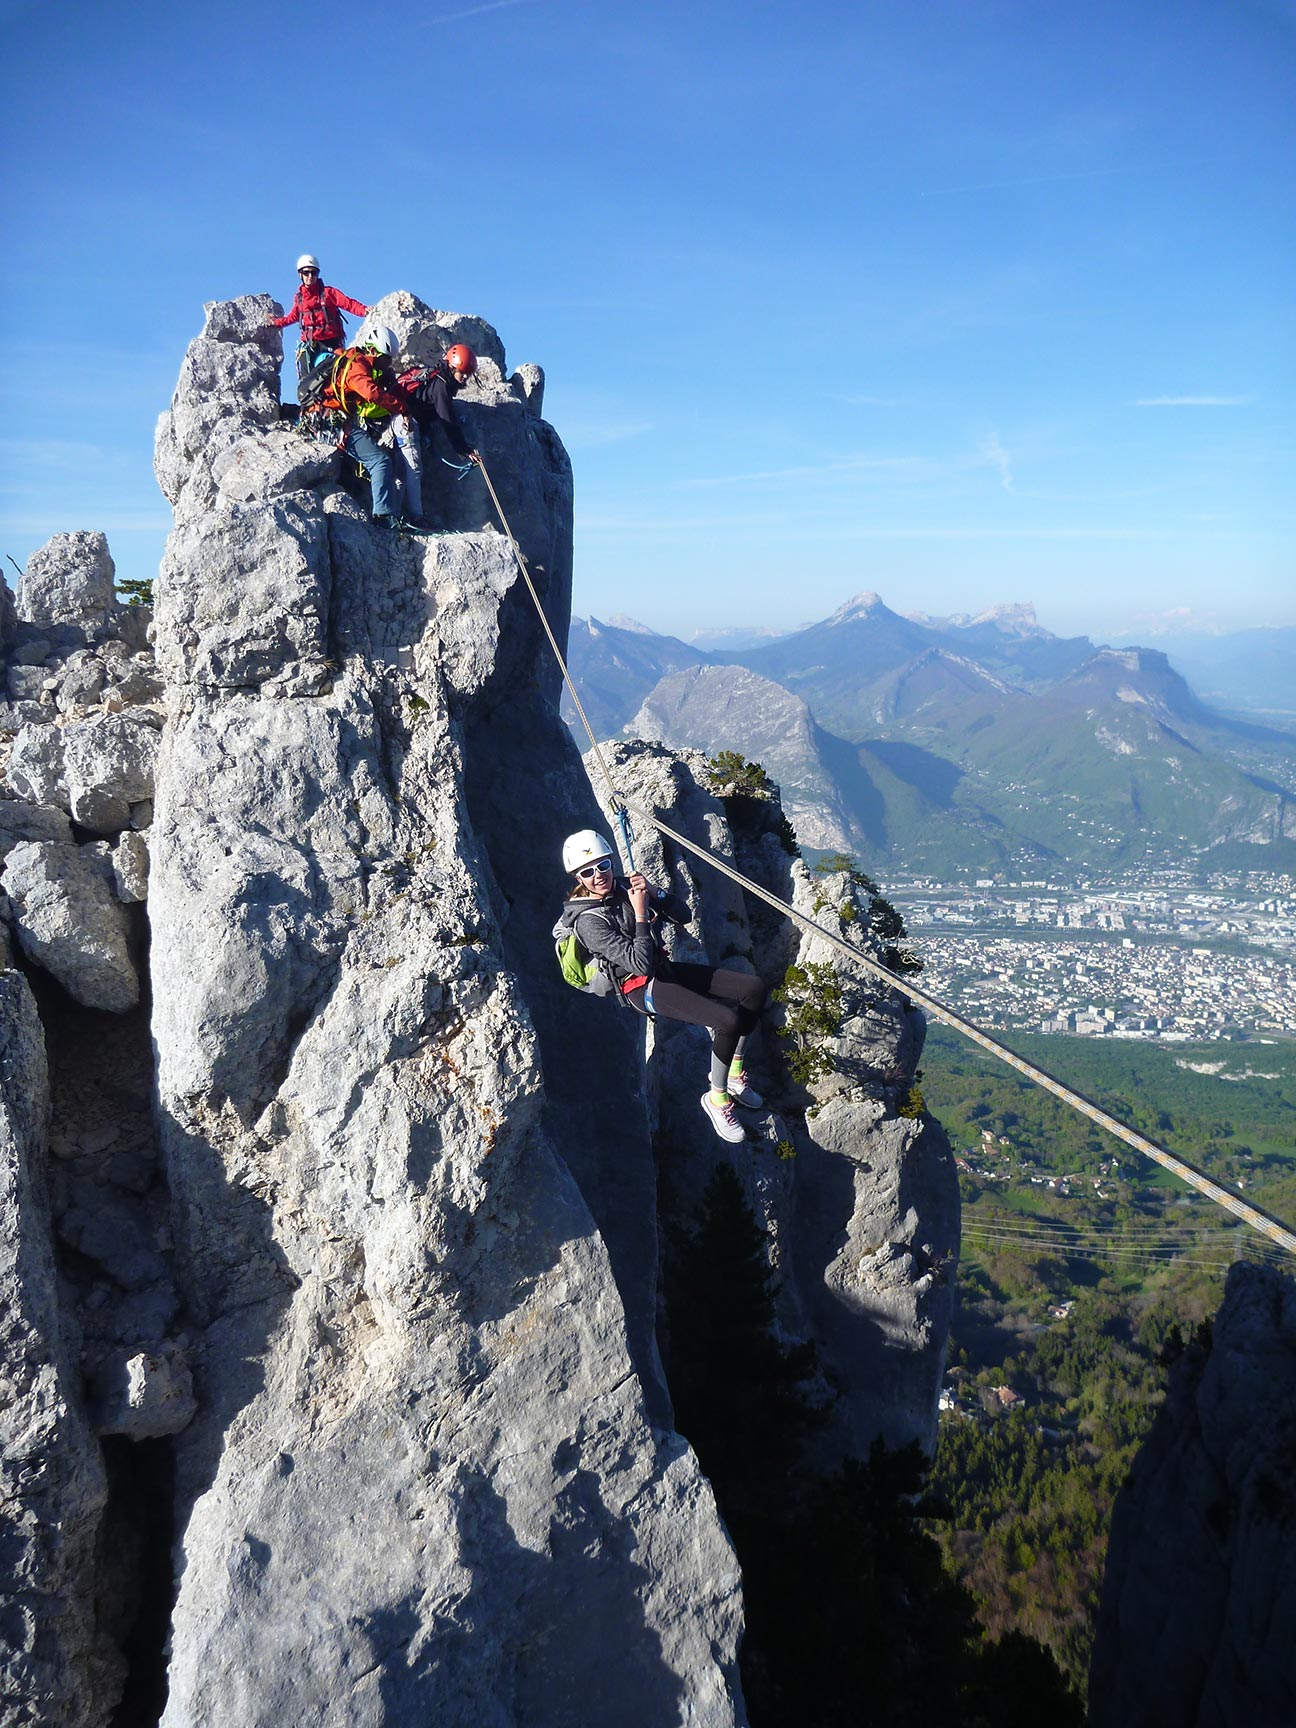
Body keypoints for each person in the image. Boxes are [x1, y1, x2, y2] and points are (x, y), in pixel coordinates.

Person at [560, 829, 768, 1144]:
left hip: (663, 971)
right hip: (638, 988)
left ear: (610, 862)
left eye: (603, 866)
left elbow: (683, 915)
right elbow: (638, 963)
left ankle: (734, 1074)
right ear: (578, 877)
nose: (598, 875)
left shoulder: (626, 887)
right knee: (727, 1021)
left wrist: (655, 892)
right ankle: (717, 1098)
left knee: (753, 988)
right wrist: (641, 913)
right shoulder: (588, 922)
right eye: (587, 872)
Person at [315, 325, 412, 528]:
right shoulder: (357, 366)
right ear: (374, 351)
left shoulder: (354, 359)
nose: (388, 364)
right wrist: (401, 408)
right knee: (380, 462)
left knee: (362, 466)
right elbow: (371, 393)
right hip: (329, 421)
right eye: (386, 359)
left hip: (324, 416)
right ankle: (383, 518)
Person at [395, 343, 482, 520]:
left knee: (403, 470)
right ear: (451, 366)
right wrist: (464, 450)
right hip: (405, 422)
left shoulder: (442, 379)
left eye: (467, 374)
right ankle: (414, 517)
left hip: (408, 420)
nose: (464, 377)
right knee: (413, 468)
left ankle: (395, 514)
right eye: (462, 372)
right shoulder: (441, 386)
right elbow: (447, 419)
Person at [269, 255, 368, 387]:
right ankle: (308, 405)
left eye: (313, 272)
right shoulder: (299, 298)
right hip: (311, 345)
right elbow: (293, 317)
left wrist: (365, 311)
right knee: (306, 381)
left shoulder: (329, 293)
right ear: (300, 275)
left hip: (332, 343)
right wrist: (276, 323)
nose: (310, 276)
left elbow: (348, 303)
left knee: (339, 375)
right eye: (306, 272)